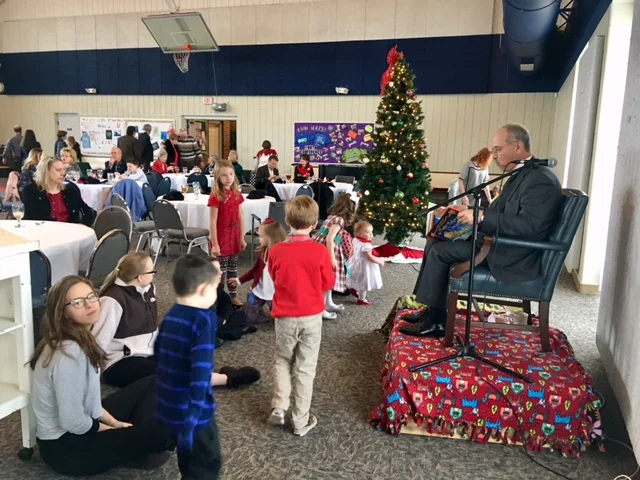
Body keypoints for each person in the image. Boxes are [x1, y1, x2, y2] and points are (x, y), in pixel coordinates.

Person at [401, 124, 563, 337]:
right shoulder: (523, 174)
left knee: (440, 251)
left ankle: (437, 322)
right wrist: (471, 212)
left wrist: (482, 216)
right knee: (435, 240)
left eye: (498, 149)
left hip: (511, 254)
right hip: (498, 242)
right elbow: (504, 212)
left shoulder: (540, 180)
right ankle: (431, 310)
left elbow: (529, 227)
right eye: (493, 150)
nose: (493, 155)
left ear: (517, 146)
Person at [30, 275, 174, 477]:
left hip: (82, 423)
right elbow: (72, 421)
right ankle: (138, 444)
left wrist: (116, 424)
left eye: (91, 296)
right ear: (64, 313)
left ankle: (136, 443)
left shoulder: (79, 336)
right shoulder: (69, 353)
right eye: (78, 302)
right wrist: (113, 431)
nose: (90, 305)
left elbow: (91, 403)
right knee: (169, 431)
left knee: (156, 381)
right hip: (67, 449)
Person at [93, 253, 259, 389]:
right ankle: (227, 379)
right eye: (152, 271)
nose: (155, 274)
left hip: (147, 352)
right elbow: (97, 342)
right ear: (140, 277)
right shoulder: (113, 300)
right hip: (120, 362)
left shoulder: (148, 289)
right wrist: (89, 378)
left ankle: (213, 375)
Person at [267, 196, 335, 436]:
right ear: (315, 224)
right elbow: (328, 282)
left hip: (284, 317)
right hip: (311, 317)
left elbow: (274, 278)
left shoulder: (275, 251)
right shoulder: (319, 251)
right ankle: (299, 420)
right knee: (306, 367)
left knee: (282, 359)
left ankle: (279, 405)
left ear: (287, 221)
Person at [155, 255, 222, 479]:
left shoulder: (171, 315)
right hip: (195, 415)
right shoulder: (203, 320)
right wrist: (192, 419)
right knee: (206, 465)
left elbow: (158, 354)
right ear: (205, 290)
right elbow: (201, 375)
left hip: (170, 407)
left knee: (188, 462)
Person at [229, 219, 287, 324]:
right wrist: (240, 280)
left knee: (282, 321)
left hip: (276, 295)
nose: (259, 239)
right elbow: (255, 270)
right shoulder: (264, 251)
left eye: (261, 236)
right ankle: (259, 314)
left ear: (271, 237)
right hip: (259, 290)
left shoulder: (284, 256)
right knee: (249, 318)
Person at [311, 193, 357, 319]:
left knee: (329, 278)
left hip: (324, 247)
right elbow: (330, 238)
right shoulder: (339, 220)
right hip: (327, 249)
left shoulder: (333, 216)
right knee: (326, 279)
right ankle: (321, 308)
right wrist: (331, 258)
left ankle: (328, 303)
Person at [208, 160, 246, 306]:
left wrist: (242, 237)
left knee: (233, 269)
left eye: (231, 174)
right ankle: (217, 299)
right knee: (220, 272)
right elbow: (213, 221)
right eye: (224, 175)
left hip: (234, 237)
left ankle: (233, 295)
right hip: (222, 238)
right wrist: (215, 244)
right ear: (218, 177)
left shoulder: (236, 194)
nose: (228, 178)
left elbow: (241, 216)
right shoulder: (216, 196)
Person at [22, 156, 95, 226]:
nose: (63, 173)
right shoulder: (31, 191)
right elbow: (28, 219)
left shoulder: (70, 189)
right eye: (58, 170)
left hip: (70, 231)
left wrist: (83, 225)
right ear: (46, 172)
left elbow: (89, 212)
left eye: (64, 170)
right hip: (43, 231)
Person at [346, 221, 386, 306]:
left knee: (356, 277)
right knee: (364, 282)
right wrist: (380, 261)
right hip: (364, 266)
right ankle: (362, 299)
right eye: (368, 232)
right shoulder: (366, 245)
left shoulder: (355, 240)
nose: (371, 234)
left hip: (355, 262)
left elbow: (352, 250)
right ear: (359, 234)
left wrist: (350, 259)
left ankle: (354, 288)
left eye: (371, 232)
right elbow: (369, 257)